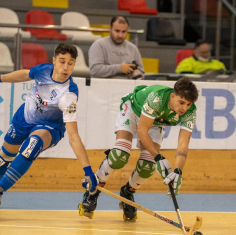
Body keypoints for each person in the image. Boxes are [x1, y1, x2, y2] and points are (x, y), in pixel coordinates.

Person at [0, 43, 98, 219]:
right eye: (62, 61)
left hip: (49, 128)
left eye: (71, 63)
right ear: (54, 61)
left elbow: (73, 136)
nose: (66, 67)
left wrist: (88, 171)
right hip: (24, 117)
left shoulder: (69, 95)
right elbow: (25, 74)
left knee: (32, 145)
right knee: (2, 159)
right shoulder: (44, 70)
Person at [79, 77, 199, 220]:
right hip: (133, 109)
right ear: (173, 96)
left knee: (148, 166)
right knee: (119, 155)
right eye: (181, 102)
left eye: (188, 104)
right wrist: (159, 157)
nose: (184, 108)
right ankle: (93, 189)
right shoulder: (157, 98)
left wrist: (178, 171)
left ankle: (127, 192)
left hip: (155, 121)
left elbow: (183, 143)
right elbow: (142, 131)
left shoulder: (190, 112)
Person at [88, 15, 144, 79]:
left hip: (127, 87)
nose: (120, 35)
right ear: (110, 29)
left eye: (124, 32)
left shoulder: (133, 48)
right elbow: (94, 70)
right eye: (117, 31)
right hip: (103, 87)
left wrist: (135, 77)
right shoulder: (99, 45)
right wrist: (119, 68)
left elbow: (141, 72)